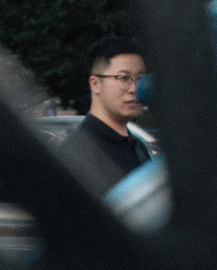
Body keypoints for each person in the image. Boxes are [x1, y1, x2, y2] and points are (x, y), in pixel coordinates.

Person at [58, 36, 151, 193]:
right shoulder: (78, 153)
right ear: (95, 84)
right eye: (123, 78)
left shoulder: (137, 146)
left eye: (140, 79)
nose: (134, 89)